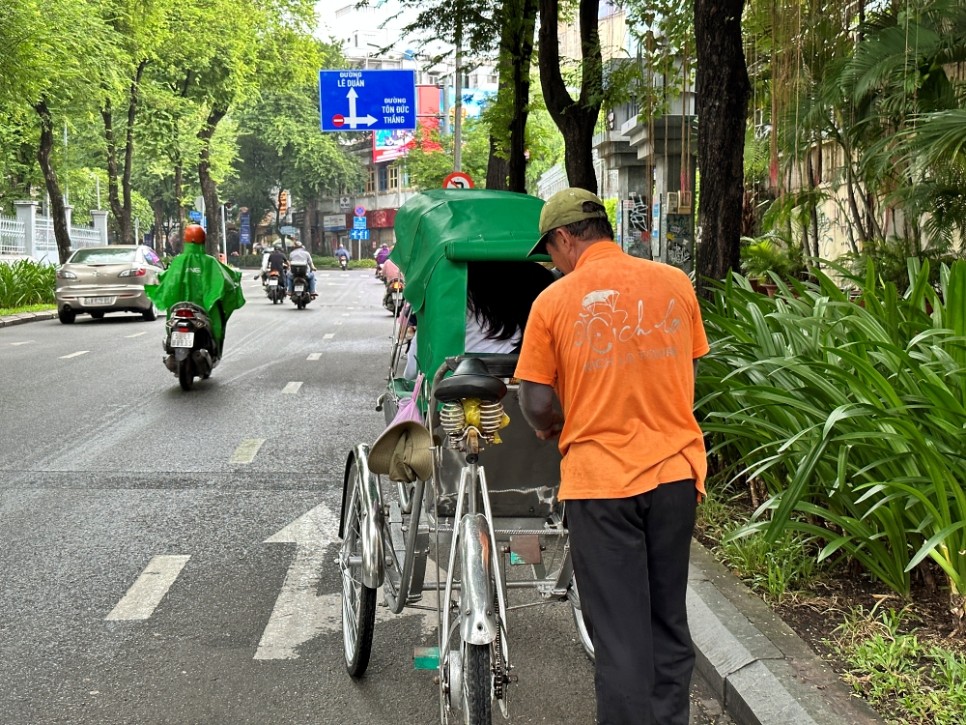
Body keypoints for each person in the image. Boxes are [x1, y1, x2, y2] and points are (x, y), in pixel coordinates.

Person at [513, 187, 709, 725]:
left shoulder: (554, 301)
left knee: (621, 636)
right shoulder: (674, 283)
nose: (551, 263)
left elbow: (536, 400)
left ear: (564, 238)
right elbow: (688, 376)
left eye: (549, 252)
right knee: (667, 620)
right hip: (674, 476)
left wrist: (556, 428)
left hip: (600, 485)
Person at [403, 260, 554, 379]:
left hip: (456, 393)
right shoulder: (536, 277)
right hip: (525, 380)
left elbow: (413, 370)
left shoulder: (451, 292)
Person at [146, 223, 245, 358]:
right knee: (217, 320)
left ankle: (171, 341)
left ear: (185, 240)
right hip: (205, 308)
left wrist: (155, 280)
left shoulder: (178, 261)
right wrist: (236, 276)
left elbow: (167, 278)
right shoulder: (210, 262)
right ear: (203, 240)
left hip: (178, 307)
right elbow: (226, 278)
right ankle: (214, 349)